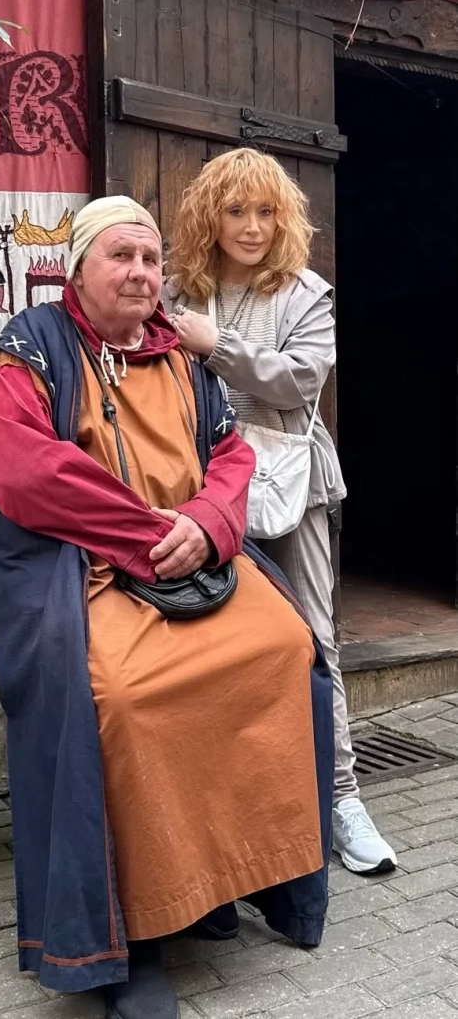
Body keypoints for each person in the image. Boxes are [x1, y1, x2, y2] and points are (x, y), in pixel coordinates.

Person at [0, 195, 333, 1019]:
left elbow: (230, 454)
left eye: (151, 260)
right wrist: (155, 534)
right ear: (79, 267)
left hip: (192, 560)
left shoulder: (179, 355)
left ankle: (227, 881)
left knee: (285, 647)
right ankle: (135, 934)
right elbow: (26, 472)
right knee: (122, 698)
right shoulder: (29, 351)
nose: (139, 273)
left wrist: (210, 523)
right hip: (88, 572)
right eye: (121, 256)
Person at [167, 148, 396, 876]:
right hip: (198, 488)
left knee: (313, 638)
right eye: (236, 211)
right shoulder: (179, 291)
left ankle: (343, 798)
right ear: (209, 217)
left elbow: (297, 382)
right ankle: (236, 803)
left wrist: (216, 346)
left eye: (266, 212)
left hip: (290, 486)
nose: (252, 227)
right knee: (211, 639)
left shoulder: (305, 295)